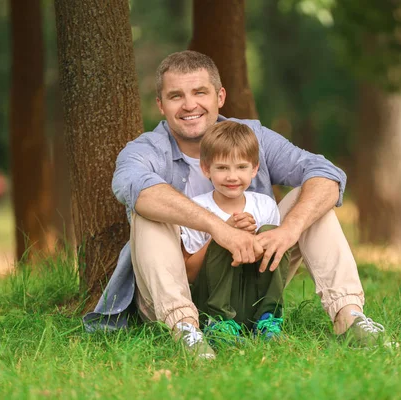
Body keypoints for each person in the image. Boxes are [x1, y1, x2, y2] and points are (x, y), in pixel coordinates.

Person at [84, 50, 385, 360]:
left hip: (251, 285)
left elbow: (326, 173)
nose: (189, 105)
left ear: (220, 96)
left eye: (200, 92)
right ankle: (186, 331)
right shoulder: (144, 150)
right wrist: (220, 230)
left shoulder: (250, 137)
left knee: (310, 199)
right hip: (176, 291)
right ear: (160, 105)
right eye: (176, 96)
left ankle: (351, 319)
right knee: (146, 208)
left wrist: (289, 230)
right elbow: (136, 189)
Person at [181, 121, 289, 342]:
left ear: (255, 168)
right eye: (222, 168)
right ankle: (218, 325)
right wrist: (224, 232)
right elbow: (189, 272)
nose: (232, 176)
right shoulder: (197, 209)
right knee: (224, 237)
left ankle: (268, 320)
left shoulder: (265, 205)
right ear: (206, 168)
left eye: (241, 167)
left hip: (251, 297)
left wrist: (253, 240)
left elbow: (271, 262)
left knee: (273, 234)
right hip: (210, 300)